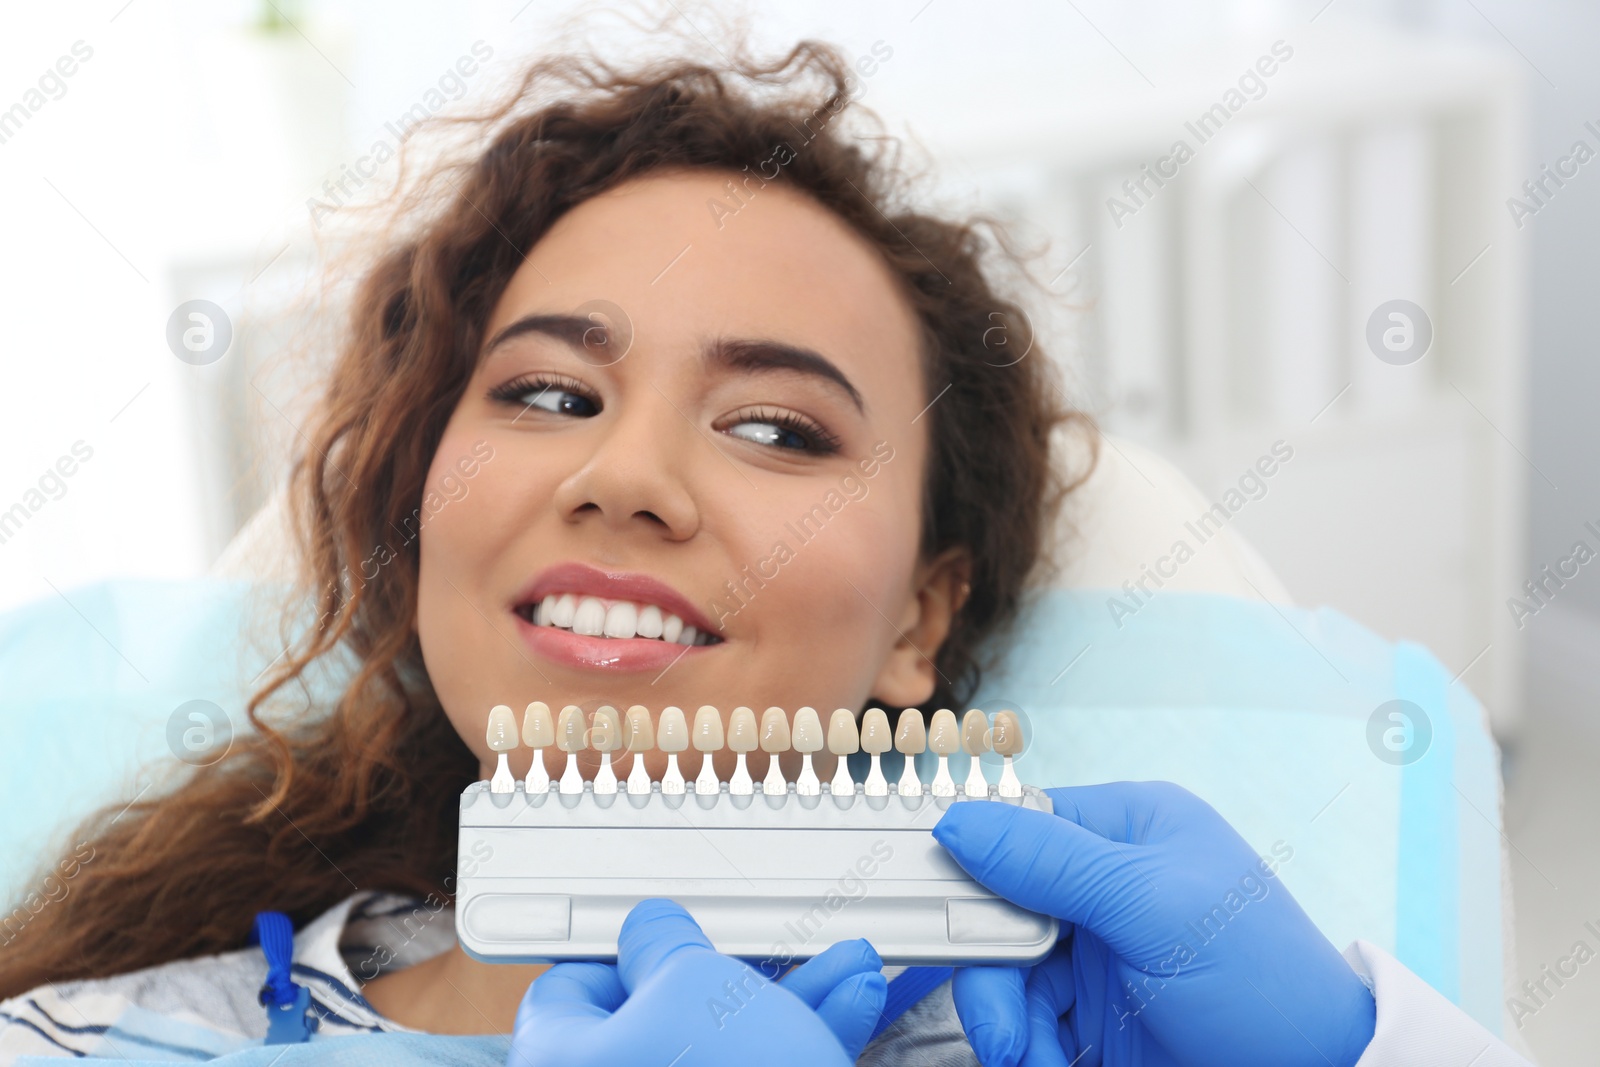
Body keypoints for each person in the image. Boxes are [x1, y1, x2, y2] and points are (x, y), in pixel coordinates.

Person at [0, 33, 1527, 1067]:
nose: (627, 473)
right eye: (548, 392)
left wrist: (1358, 1048)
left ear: (922, 627)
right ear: (419, 526)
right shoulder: (102, 1040)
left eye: (780, 430)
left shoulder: (1081, 1041)